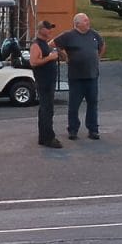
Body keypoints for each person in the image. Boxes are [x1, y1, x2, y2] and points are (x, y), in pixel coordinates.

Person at [54, 12, 105, 141]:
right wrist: (64, 56)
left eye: (88, 20)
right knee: (74, 105)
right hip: (76, 77)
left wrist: (98, 58)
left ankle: (93, 130)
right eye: (85, 21)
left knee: (92, 103)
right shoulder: (69, 36)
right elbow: (55, 44)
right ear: (77, 24)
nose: (88, 23)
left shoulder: (94, 35)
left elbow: (102, 45)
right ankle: (73, 129)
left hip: (92, 76)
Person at [28, 19, 63, 148]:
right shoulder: (36, 44)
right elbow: (33, 62)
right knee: (46, 110)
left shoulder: (46, 44)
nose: (50, 31)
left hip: (49, 81)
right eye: (48, 28)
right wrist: (50, 57)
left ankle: (43, 137)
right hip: (43, 82)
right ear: (41, 29)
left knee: (47, 109)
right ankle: (48, 137)